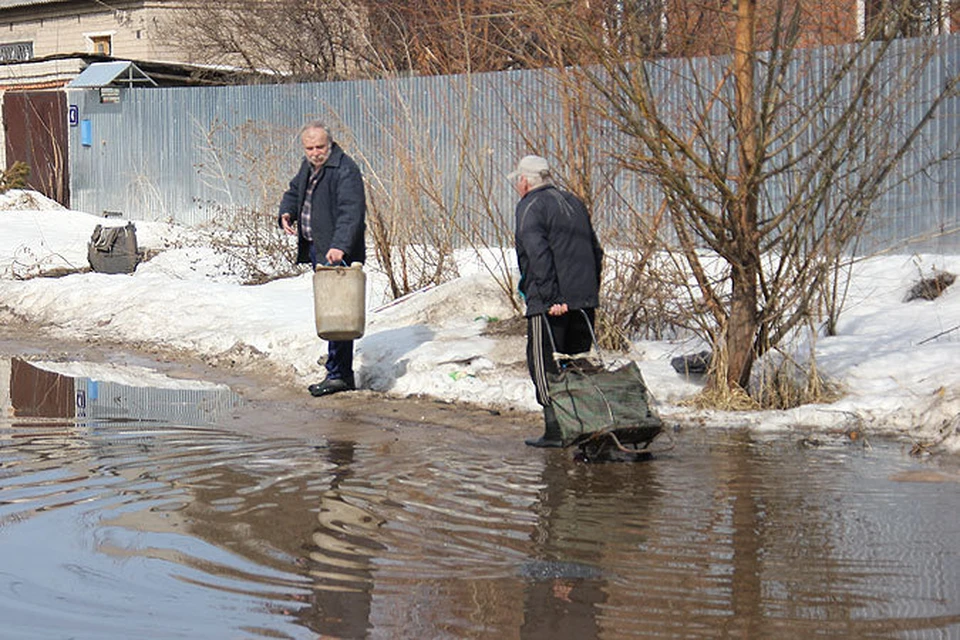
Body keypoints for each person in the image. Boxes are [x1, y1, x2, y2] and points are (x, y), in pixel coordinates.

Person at [510, 154, 604, 448]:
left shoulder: (530, 206)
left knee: (542, 363)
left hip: (550, 302)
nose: (516, 185)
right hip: (583, 300)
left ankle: (555, 429)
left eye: (517, 181)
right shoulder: (574, 202)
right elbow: (596, 251)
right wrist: (588, 293)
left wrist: (552, 297)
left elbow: (537, 254)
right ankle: (581, 424)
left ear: (525, 181)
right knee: (576, 364)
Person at [279, 121, 366, 397]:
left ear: (330, 144)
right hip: (321, 247)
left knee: (340, 314)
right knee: (331, 312)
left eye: (319, 147)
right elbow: (295, 190)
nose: (315, 152)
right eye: (310, 148)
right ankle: (337, 368)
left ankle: (340, 375)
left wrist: (340, 246)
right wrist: (287, 211)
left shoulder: (344, 170)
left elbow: (351, 212)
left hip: (336, 251)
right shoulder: (311, 166)